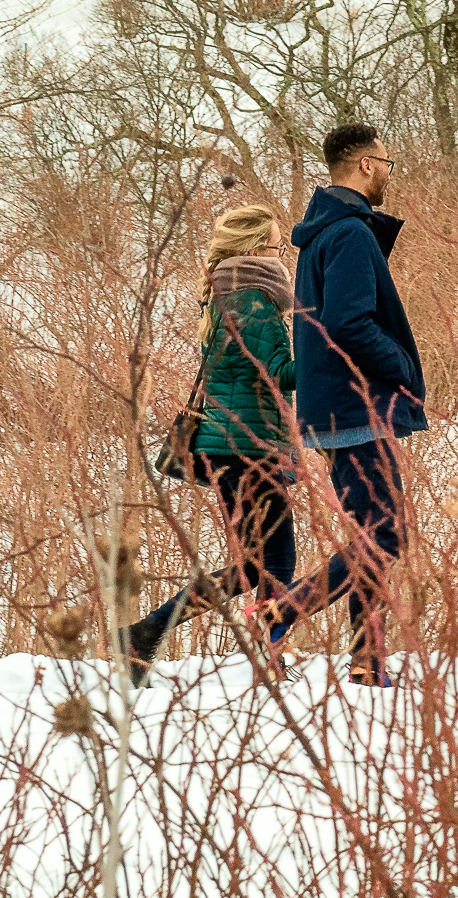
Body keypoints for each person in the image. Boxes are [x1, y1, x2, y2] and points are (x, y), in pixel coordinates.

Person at [254, 122, 427, 686]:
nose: (388, 176)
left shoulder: (325, 233)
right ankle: (286, 610)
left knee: (371, 532)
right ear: (368, 165)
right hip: (356, 408)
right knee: (387, 533)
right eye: (388, 164)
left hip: (335, 408)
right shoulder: (350, 232)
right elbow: (348, 322)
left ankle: (366, 660)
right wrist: (398, 366)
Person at [117, 204, 298, 688]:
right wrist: (331, 360)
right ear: (257, 249)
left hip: (233, 447)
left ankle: (147, 632)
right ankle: (265, 658)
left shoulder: (226, 294)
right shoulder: (253, 301)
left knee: (251, 567)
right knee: (273, 564)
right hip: (248, 448)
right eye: (278, 246)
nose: (283, 255)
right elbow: (278, 374)